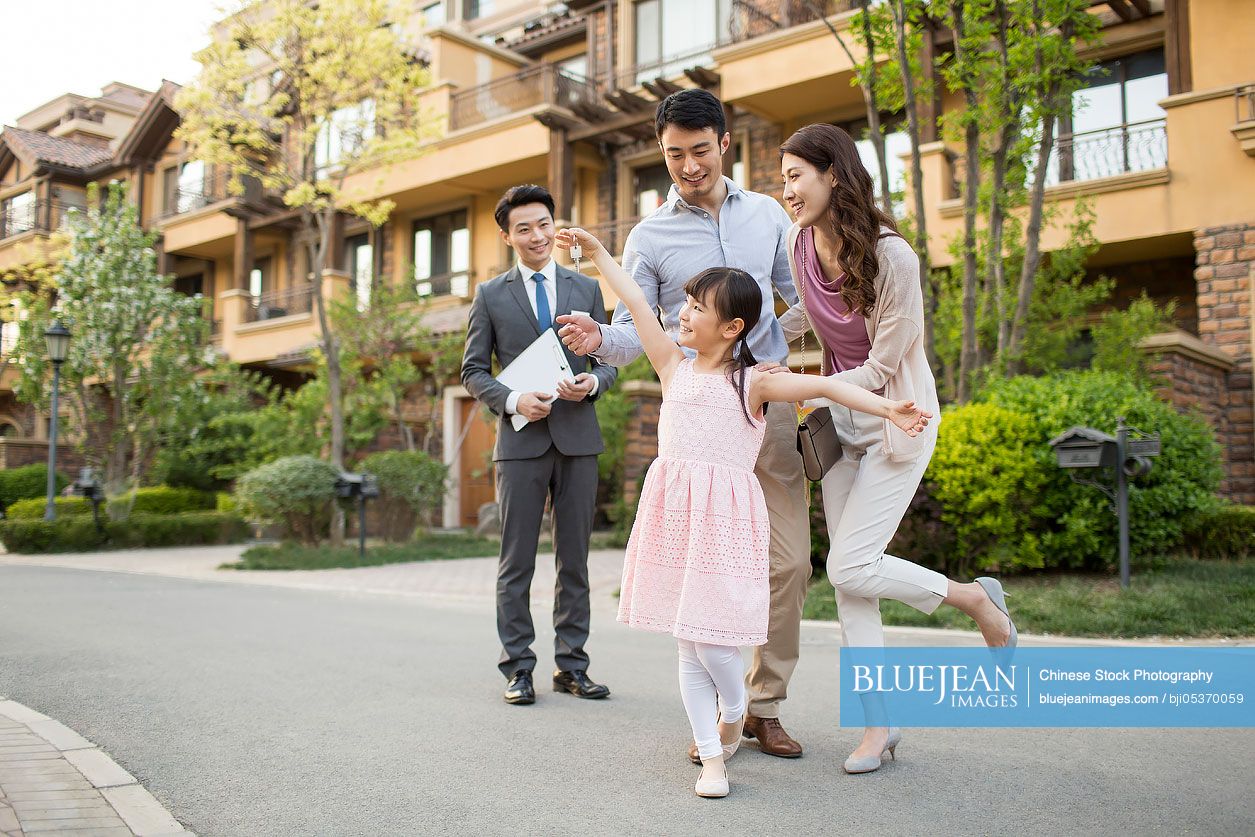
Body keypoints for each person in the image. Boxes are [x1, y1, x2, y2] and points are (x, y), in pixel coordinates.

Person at [554, 224, 931, 798]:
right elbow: (634, 299)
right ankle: (712, 759)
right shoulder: (670, 366)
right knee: (687, 639)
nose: (682, 314)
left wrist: (889, 407)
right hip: (678, 519)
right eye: (684, 303)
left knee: (714, 643)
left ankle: (737, 709)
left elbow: (827, 388)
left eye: (696, 307)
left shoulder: (755, 382)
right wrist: (600, 253)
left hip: (727, 526)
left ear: (731, 328)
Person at [557, 89, 814, 761]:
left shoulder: (764, 214)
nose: (688, 166)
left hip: (765, 406)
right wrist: (594, 339)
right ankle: (718, 717)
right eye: (674, 154)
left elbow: (805, 295)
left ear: (725, 144)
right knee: (706, 570)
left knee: (788, 562)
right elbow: (631, 331)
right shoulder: (649, 235)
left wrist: (772, 344)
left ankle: (764, 705)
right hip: (700, 426)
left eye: (699, 151)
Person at [777, 123, 1017, 773]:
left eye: (796, 175)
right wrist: (746, 344)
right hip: (838, 429)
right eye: (783, 178)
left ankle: (971, 597)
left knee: (848, 567)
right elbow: (801, 314)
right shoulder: (801, 242)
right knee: (853, 583)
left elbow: (883, 368)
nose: (787, 189)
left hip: (896, 422)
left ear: (833, 174)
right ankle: (877, 727)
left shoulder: (894, 258)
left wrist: (801, 384)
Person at [460, 184, 618, 706]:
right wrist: (512, 400)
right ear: (507, 235)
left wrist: (593, 383)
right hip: (521, 442)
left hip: (578, 440)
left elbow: (608, 359)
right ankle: (518, 667)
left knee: (575, 561)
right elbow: (473, 370)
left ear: (556, 226)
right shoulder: (489, 295)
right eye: (524, 228)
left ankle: (572, 666)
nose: (537, 235)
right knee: (517, 562)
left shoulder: (586, 288)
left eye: (544, 224)